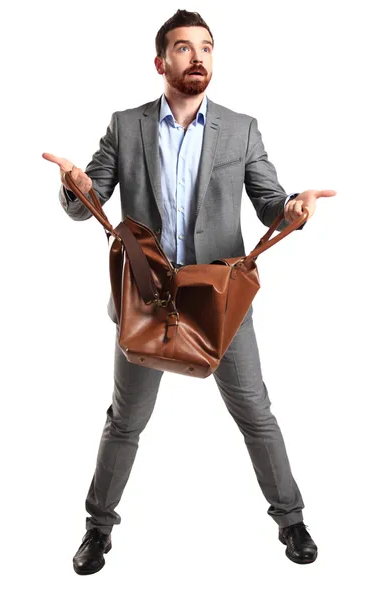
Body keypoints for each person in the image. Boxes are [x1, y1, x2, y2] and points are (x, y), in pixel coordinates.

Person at [43, 9, 336, 575]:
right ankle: (97, 529)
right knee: (125, 421)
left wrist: (295, 209)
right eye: (183, 47)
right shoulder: (126, 126)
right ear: (161, 62)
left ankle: (291, 520)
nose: (197, 56)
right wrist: (74, 187)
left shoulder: (242, 127)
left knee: (257, 414)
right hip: (146, 301)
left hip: (220, 301)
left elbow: (271, 203)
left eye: (206, 46)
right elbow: (89, 204)